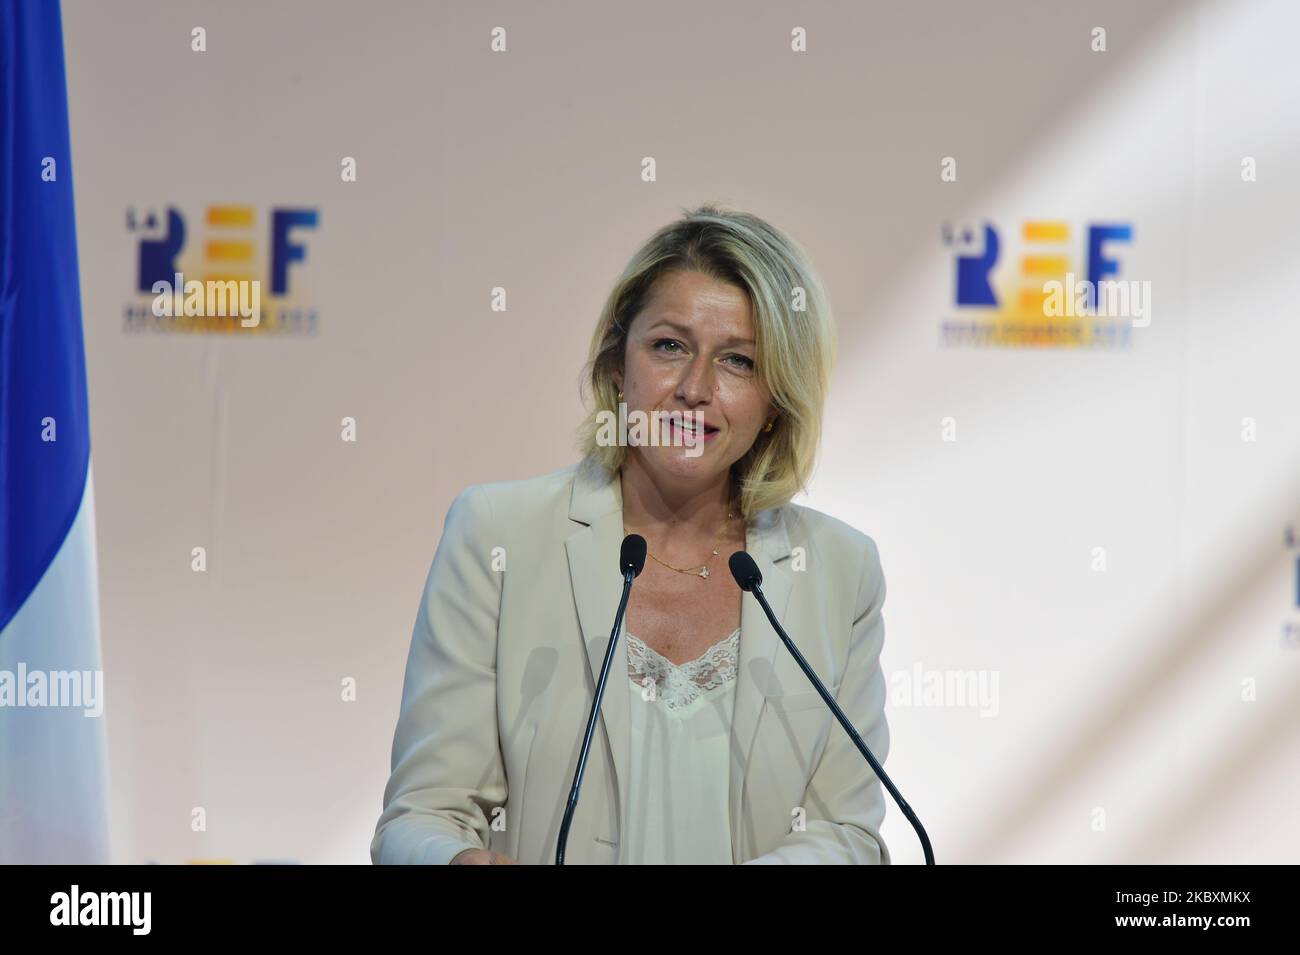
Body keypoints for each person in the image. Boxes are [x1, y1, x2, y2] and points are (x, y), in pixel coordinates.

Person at [371, 203, 891, 864]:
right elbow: (423, 814)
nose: (694, 388)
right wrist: (455, 860)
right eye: (669, 346)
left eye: (737, 361)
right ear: (618, 366)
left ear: (775, 402)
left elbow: (846, 833)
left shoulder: (839, 570)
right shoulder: (497, 534)